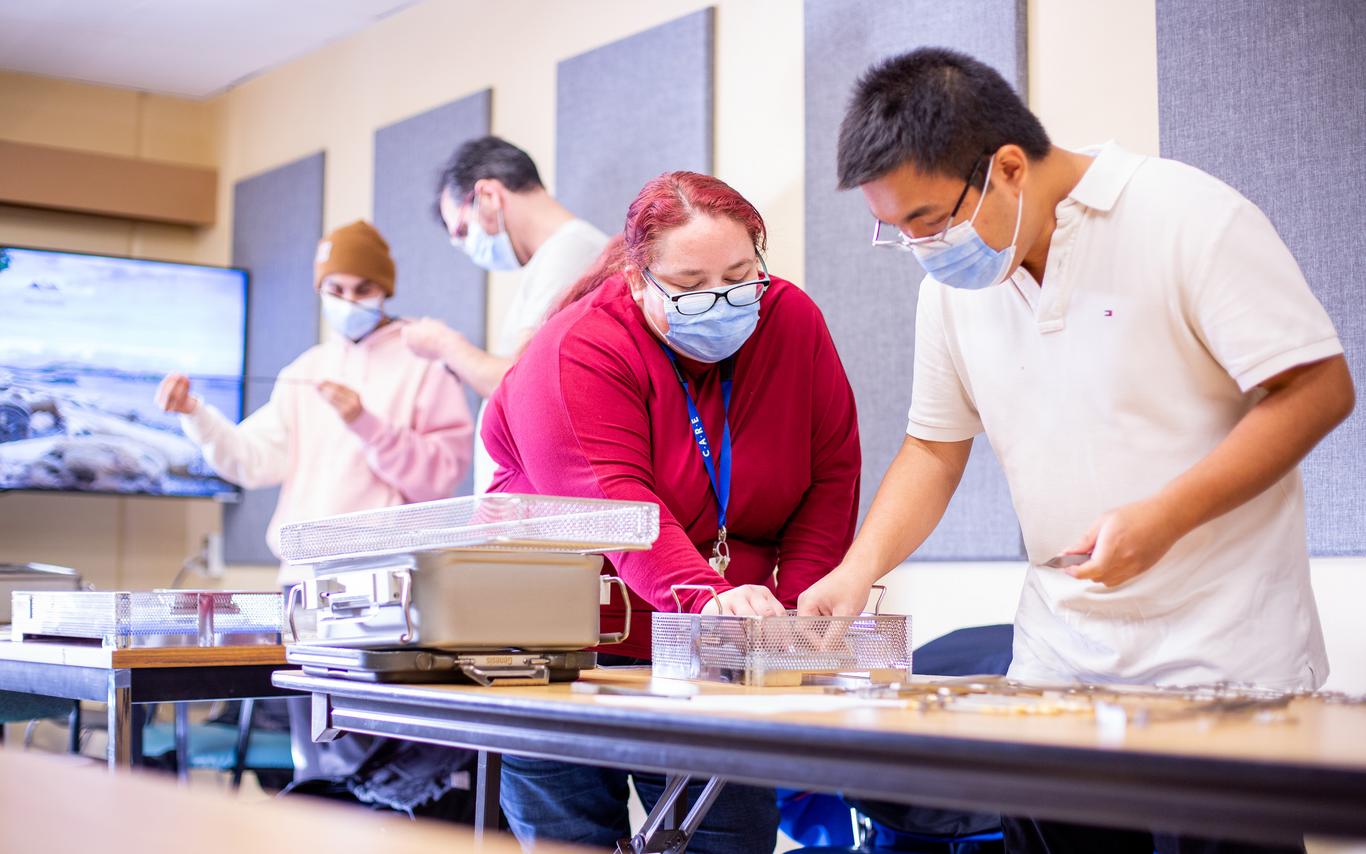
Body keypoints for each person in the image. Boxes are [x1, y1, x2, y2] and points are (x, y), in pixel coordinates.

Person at [805, 47, 1355, 854]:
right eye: (896, 232)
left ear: (1007, 168)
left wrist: (1165, 517)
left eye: (927, 221)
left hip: (1227, 661)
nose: (920, 249)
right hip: (1057, 666)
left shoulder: (1186, 216)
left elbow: (1317, 389)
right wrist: (858, 571)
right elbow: (932, 450)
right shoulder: (953, 294)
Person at [482, 171, 862, 852]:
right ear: (636, 279)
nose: (720, 298)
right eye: (688, 285)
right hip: (564, 656)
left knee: (731, 839)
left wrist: (796, 621)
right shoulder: (575, 350)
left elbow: (829, 475)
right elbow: (614, 504)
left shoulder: (791, 320)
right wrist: (711, 603)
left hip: (714, 660)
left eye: (741, 274)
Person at [155, 220, 475, 800]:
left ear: (385, 289)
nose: (348, 301)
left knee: (367, 757)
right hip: (304, 594)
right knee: (316, 757)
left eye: (362, 288)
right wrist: (196, 414)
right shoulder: (305, 369)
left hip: (385, 599)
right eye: (336, 289)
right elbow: (253, 461)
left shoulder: (424, 368)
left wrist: (365, 422)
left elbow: (439, 478)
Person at [402, 136, 609, 493]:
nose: (469, 249)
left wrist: (444, 345)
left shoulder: (573, 252)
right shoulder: (553, 258)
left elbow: (519, 385)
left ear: (489, 196)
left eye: (464, 232)